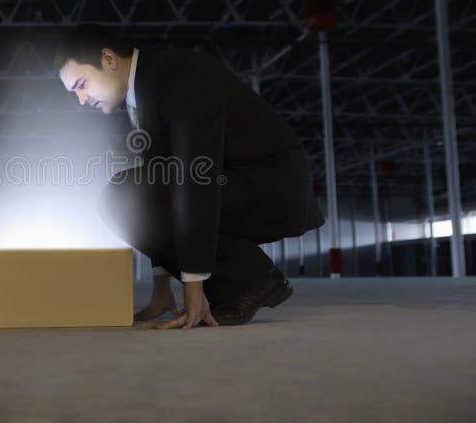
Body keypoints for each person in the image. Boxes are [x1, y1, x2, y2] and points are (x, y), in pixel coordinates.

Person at [54, 24, 325, 329]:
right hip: (233, 181)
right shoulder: (143, 90)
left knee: (124, 195)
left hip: (271, 184)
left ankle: (251, 280)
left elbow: (197, 176)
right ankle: (246, 278)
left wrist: (192, 285)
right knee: (126, 195)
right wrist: (161, 287)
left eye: (81, 84)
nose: (81, 99)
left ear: (108, 59)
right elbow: (158, 189)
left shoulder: (177, 75)